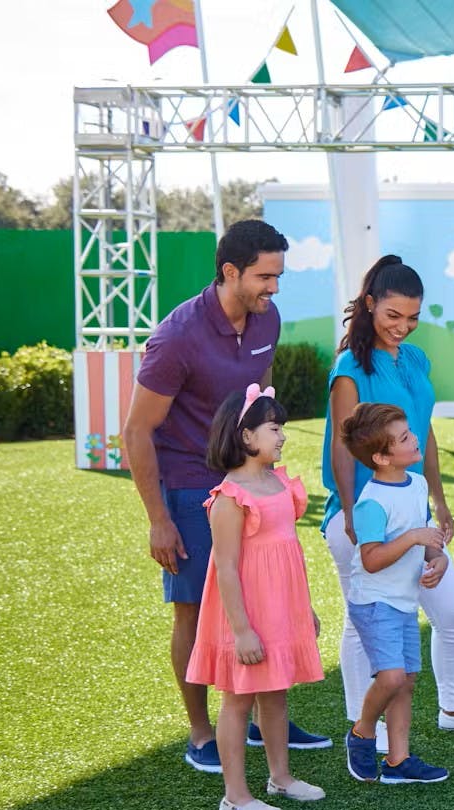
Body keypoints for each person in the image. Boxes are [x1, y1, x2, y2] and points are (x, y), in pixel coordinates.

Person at [125, 219, 330, 774]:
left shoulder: (268, 318)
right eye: (266, 276)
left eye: (279, 276)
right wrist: (158, 519)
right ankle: (200, 733)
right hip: (191, 484)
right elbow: (136, 431)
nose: (275, 288)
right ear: (230, 272)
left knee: (264, 597)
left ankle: (268, 720)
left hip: (250, 480)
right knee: (194, 610)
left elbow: (261, 398)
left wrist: (270, 470)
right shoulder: (177, 337)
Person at [322, 254, 454, 749]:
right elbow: (342, 444)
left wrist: (439, 501)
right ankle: (368, 726)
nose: (403, 327)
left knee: (452, 614)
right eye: (393, 316)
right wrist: (350, 512)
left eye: (413, 318)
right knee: (363, 624)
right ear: (369, 306)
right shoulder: (349, 368)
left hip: (413, 510)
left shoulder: (417, 360)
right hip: (364, 516)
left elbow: (423, 433)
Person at [185, 384, 326, 810]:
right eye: (273, 428)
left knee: (276, 694)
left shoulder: (278, 483)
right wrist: (242, 629)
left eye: (281, 428)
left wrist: (305, 610)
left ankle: (280, 777)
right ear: (246, 436)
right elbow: (225, 568)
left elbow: (288, 553)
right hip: (245, 613)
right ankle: (235, 796)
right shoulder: (229, 498)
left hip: (281, 607)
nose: (282, 436)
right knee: (238, 699)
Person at [339, 403, 452, 785]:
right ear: (381, 457)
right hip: (374, 602)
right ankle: (362, 733)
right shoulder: (371, 502)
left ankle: (398, 760)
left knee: (406, 680)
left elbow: (425, 534)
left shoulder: (417, 484)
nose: (414, 438)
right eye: (404, 438)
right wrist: (413, 539)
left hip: (403, 600)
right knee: (390, 678)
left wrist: (437, 558)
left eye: (410, 432)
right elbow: (371, 559)